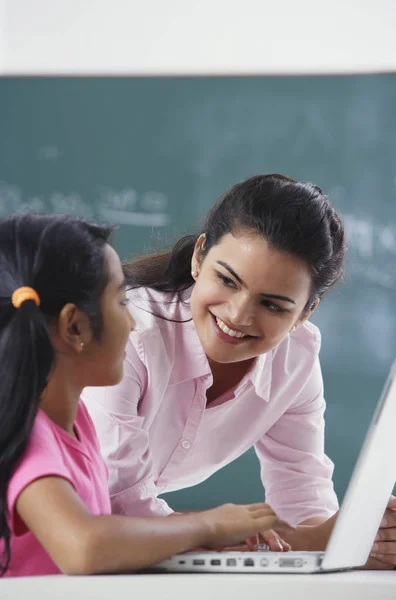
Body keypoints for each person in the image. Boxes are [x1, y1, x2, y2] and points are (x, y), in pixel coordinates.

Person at [83, 173, 396, 569]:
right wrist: (214, 532)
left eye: (273, 305)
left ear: (305, 312)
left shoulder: (295, 357)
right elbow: (116, 501)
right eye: (227, 280)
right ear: (199, 257)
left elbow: (303, 493)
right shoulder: (128, 333)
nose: (237, 315)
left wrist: (354, 542)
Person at [0, 212, 288, 578]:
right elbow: (84, 547)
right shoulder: (29, 434)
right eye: (121, 302)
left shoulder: (78, 424)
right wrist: (207, 526)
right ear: (74, 326)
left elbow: (112, 540)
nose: (133, 322)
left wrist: (209, 537)